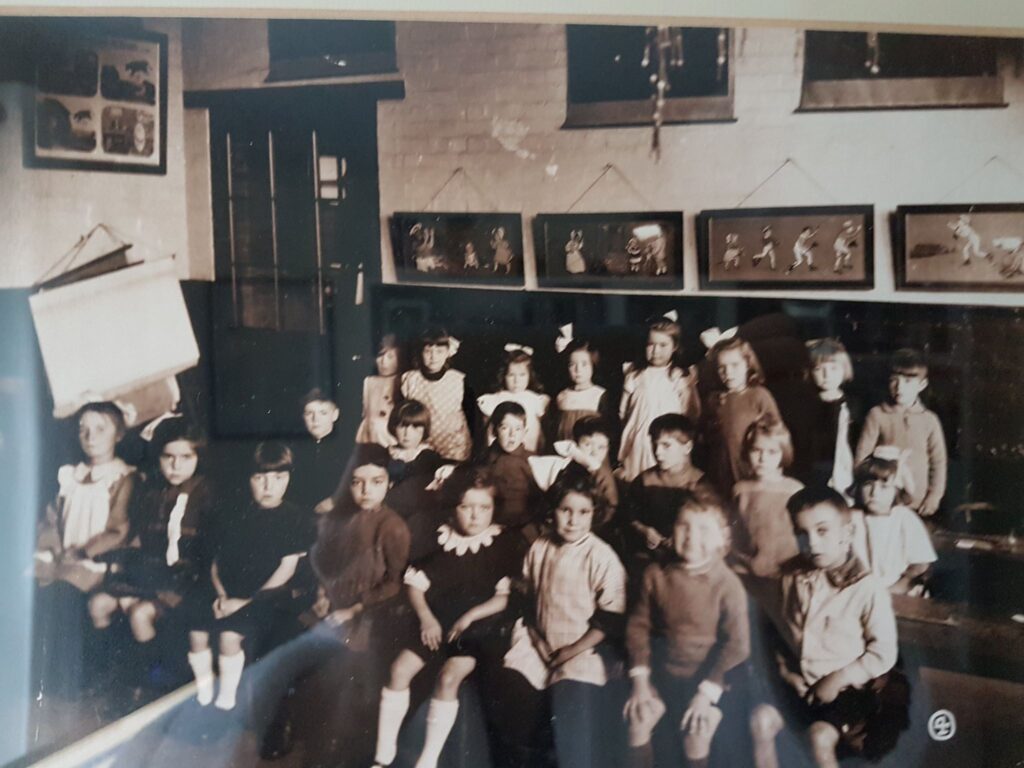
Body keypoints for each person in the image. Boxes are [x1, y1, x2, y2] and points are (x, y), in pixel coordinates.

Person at [371, 468, 526, 768]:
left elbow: (503, 597)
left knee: (448, 677)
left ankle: (427, 760)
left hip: (480, 627)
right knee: (399, 670)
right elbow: (415, 585)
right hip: (437, 621)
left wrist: (471, 616)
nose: (474, 516)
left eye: (484, 508)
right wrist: (427, 617)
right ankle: (383, 754)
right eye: (466, 507)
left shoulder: (502, 545)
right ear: (453, 506)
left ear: (494, 510)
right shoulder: (439, 538)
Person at [750, 487, 905, 768]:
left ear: (847, 534)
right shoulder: (790, 576)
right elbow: (776, 631)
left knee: (818, 738)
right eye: (802, 533)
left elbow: (883, 652)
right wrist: (786, 672)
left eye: (823, 531)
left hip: (847, 691)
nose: (812, 542)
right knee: (760, 720)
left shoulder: (866, 587)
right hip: (801, 686)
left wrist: (838, 677)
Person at [502, 472, 627, 768]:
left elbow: (610, 620)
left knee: (569, 706)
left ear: (594, 514)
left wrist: (569, 652)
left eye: (583, 512)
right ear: (552, 511)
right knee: (513, 698)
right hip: (539, 643)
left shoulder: (601, 556)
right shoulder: (540, 547)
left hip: (582, 649)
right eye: (565, 510)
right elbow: (528, 600)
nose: (573, 520)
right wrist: (537, 640)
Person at [623, 494, 750, 768]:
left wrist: (706, 694)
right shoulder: (656, 574)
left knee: (697, 728)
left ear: (722, 540)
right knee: (638, 716)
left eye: (704, 529)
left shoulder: (727, 584)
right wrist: (641, 683)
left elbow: (737, 645)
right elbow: (638, 627)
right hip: (663, 676)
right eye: (684, 526)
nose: (692, 536)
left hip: (713, 680)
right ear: (672, 530)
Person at [88, 418, 214, 689]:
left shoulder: (206, 494)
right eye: (168, 457)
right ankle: (112, 675)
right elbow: (139, 538)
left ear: (198, 457)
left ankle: (150, 683)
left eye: (185, 457)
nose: (175, 466)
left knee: (140, 613)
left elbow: (209, 553)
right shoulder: (152, 490)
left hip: (186, 582)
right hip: (150, 574)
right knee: (99, 603)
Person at [185, 443, 309, 710]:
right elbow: (217, 562)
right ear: (248, 479)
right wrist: (220, 594)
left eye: (278, 478)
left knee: (229, 636)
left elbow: (286, 570)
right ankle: (203, 691)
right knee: (197, 630)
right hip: (229, 592)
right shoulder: (236, 514)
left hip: (268, 596)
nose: (268, 487)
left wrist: (247, 602)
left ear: (289, 478)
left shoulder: (294, 517)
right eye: (259, 478)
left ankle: (226, 699)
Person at [310, 443, 412, 658]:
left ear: (390, 483)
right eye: (357, 483)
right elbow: (326, 563)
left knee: (346, 659)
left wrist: (353, 611)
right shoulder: (339, 519)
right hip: (335, 600)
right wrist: (322, 594)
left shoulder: (392, 526)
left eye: (377, 482)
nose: (366, 491)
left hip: (370, 609)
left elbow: (395, 583)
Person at [854, 348, 947, 517]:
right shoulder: (877, 414)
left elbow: (938, 463)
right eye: (894, 380)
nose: (899, 387)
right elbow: (862, 457)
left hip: (918, 504)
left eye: (907, 381)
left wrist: (933, 497)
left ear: (922, 384)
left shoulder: (929, 420)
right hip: (883, 501)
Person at [621, 414, 715, 569]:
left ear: (687, 447)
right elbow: (629, 516)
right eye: (654, 444)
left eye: (666, 445)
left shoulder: (701, 484)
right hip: (648, 557)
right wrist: (644, 531)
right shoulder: (644, 480)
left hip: (687, 560)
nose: (657, 452)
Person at [618, 311, 701, 483]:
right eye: (651, 344)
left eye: (663, 345)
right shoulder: (635, 375)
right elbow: (623, 412)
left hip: (669, 444)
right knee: (640, 484)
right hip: (639, 444)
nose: (656, 351)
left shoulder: (680, 377)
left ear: (675, 346)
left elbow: (691, 413)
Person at [702, 335, 782, 496]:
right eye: (721, 367)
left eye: (735, 365)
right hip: (720, 474)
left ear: (748, 364)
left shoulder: (759, 395)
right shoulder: (713, 399)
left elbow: (777, 437)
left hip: (751, 473)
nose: (728, 372)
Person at [849, 450, 937, 595]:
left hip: (896, 587)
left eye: (884, 487)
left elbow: (920, 564)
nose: (874, 493)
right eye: (868, 485)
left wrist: (899, 586)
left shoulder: (904, 518)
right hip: (858, 588)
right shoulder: (852, 517)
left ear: (897, 491)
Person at [730, 417, 804, 584]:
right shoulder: (740, 489)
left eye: (772, 452)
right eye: (756, 450)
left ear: (783, 453)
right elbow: (736, 533)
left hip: (786, 573)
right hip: (747, 573)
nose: (763, 458)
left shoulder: (794, 489)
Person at [790, 339, 858, 493]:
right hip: (814, 472)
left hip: (845, 471)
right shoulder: (806, 406)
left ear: (844, 369)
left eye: (833, 368)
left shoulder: (853, 405)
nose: (826, 375)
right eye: (819, 369)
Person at [379, 400, 445, 560]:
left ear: (424, 430)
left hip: (416, 516)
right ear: (394, 427)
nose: (407, 433)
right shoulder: (385, 454)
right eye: (402, 426)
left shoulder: (429, 457)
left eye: (415, 427)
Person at [400, 328, 473, 462]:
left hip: (454, 445)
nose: (433, 357)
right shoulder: (411, 380)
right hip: (421, 445)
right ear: (420, 353)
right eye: (428, 351)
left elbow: (472, 415)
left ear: (447, 353)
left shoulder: (457, 379)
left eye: (439, 352)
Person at [481, 401, 542, 538]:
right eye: (505, 428)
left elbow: (540, 500)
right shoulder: (485, 459)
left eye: (518, 429)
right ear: (494, 431)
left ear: (525, 431)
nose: (512, 435)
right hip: (489, 526)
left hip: (522, 529)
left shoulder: (532, 460)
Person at [477, 344, 550, 454]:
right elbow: (488, 427)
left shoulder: (534, 399)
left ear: (530, 376)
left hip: (528, 446)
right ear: (503, 376)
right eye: (511, 375)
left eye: (522, 375)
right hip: (501, 448)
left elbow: (541, 427)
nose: (516, 381)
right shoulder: (496, 398)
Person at [290, 388, 347, 515]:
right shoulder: (294, 449)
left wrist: (336, 500)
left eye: (323, 413)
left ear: (335, 415)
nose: (315, 419)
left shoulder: (348, 448)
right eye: (309, 413)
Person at [552, 337, 610, 444]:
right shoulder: (562, 395)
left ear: (593, 365)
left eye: (584, 364)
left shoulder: (599, 394)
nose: (578, 370)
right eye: (572, 364)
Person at [355, 335, 400, 448]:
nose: (384, 362)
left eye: (390, 357)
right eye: (380, 356)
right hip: (369, 435)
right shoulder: (369, 381)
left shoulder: (402, 380)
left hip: (390, 438)